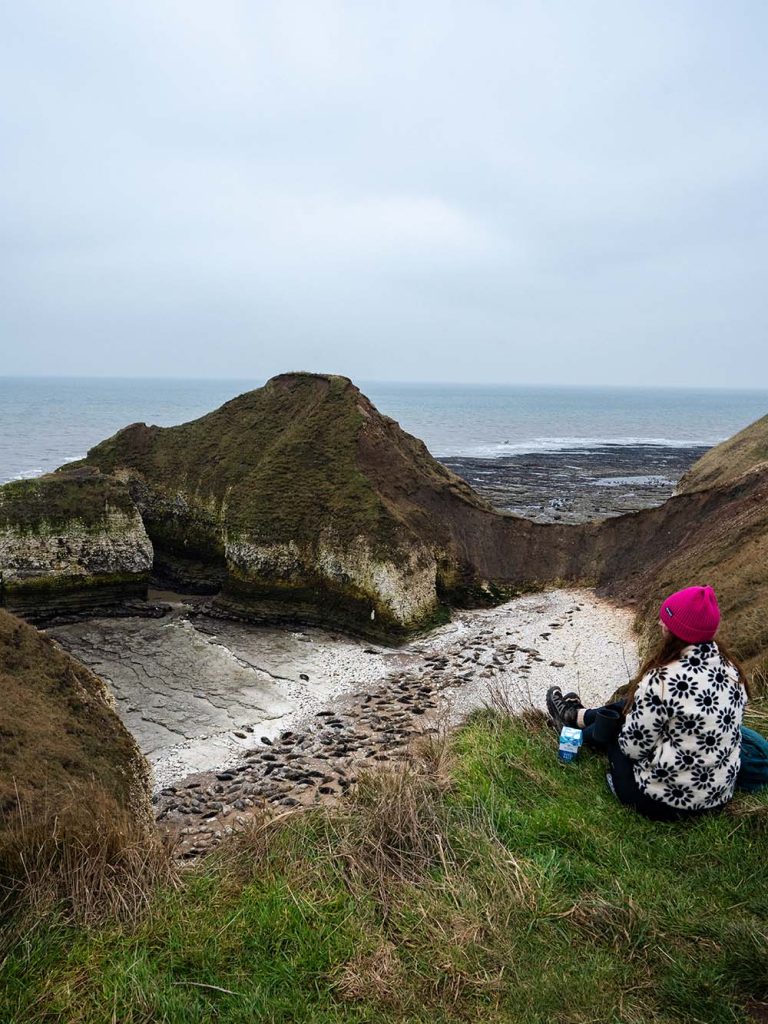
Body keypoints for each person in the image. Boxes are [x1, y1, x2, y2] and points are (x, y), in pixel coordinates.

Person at [546, 585, 749, 821]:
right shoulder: (733, 671)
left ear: (678, 631)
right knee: (626, 707)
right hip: (718, 798)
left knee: (614, 730)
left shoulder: (662, 680)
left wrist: (622, 728)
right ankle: (576, 717)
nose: (660, 624)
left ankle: (574, 727)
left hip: (664, 805)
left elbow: (632, 748)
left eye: (666, 621)